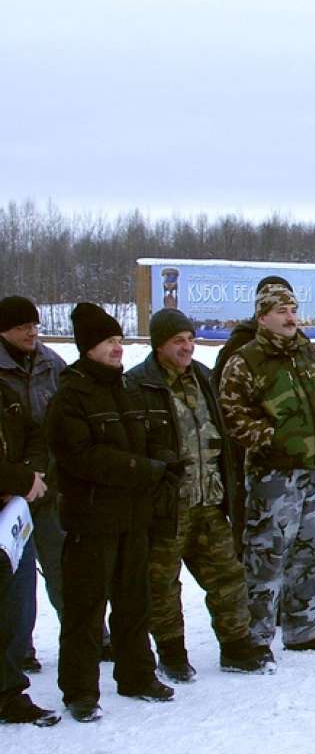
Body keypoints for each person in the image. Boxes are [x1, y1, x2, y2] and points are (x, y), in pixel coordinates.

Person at [46, 303, 175, 722]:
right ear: (87, 347)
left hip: (134, 517)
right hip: (91, 520)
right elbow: (83, 457)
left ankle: (137, 675)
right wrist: (143, 469)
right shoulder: (70, 396)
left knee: (135, 603)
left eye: (119, 340)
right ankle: (80, 691)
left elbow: (152, 436)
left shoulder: (129, 388)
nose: (117, 348)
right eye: (107, 341)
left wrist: (164, 463)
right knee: (85, 611)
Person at [125, 309, 271, 680]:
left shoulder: (204, 377)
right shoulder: (138, 385)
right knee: (162, 585)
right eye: (178, 341)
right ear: (159, 345)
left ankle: (236, 646)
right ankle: (172, 653)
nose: (187, 347)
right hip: (167, 506)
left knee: (228, 576)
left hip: (210, 499)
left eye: (190, 339)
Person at [219, 285, 315, 657]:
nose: (291, 318)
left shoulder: (311, 356)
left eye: (293, 310)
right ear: (263, 318)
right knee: (267, 555)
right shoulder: (246, 360)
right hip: (273, 475)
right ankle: (256, 637)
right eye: (281, 311)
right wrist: (272, 440)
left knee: (311, 551)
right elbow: (233, 415)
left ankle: (304, 628)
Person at [0, 295, 69, 672]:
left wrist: (39, 473)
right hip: (8, 494)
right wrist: (18, 478)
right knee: (16, 578)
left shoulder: (51, 363)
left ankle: (86, 633)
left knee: (63, 566)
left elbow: (59, 419)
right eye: (22, 326)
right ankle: (18, 648)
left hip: (48, 485)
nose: (31, 332)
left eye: (34, 325)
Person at [211, 275, 293, 557]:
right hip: (251, 457)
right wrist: (265, 434)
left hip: (295, 458)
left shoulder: (299, 346)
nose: (287, 314)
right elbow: (225, 405)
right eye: (279, 306)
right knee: (253, 534)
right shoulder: (241, 345)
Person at [0, 380, 60, 726]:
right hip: (13, 495)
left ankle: (8, 694)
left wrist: (31, 474)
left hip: (11, 518)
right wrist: (18, 480)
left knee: (16, 609)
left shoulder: (5, 392)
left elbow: (35, 434)